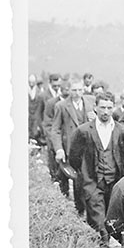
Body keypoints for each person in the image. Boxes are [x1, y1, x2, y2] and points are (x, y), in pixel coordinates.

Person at [68, 92, 124, 243]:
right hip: (93, 183)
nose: (106, 112)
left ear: (113, 108)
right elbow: (74, 158)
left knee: (112, 219)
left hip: (114, 183)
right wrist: (86, 175)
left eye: (109, 108)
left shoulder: (121, 131)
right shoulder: (83, 131)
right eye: (102, 107)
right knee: (98, 221)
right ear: (95, 107)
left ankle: (110, 246)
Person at [51, 79, 96, 214]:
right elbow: (55, 130)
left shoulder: (91, 102)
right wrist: (59, 149)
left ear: (83, 90)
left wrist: (95, 118)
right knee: (77, 180)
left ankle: (92, 211)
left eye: (80, 90)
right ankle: (80, 211)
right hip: (72, 149)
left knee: (91, 179)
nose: (77, 93)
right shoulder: (61, 106)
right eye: (74, 90)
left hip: (89, 147)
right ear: (69, 90)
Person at [43, 80, 71, 189]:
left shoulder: (75, 104)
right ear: (61, 90)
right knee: (57, 171)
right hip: (57, 141)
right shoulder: (52, 103)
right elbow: (48, 123)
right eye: (64, 89)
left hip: (69, 142)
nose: (67, 92)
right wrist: (54, 142)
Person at [28, 73, 43, 144]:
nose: (31, 84)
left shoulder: (39, 92)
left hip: (36, 117)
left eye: (33, 82)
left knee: (35, 135)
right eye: (30, 82)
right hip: (28, 116)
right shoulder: (24, 90)